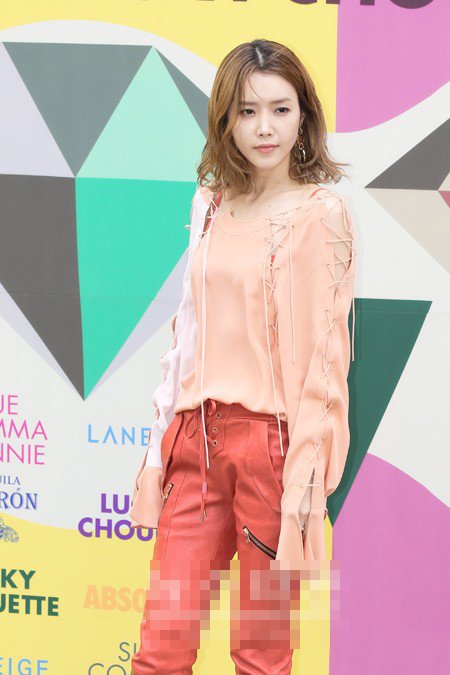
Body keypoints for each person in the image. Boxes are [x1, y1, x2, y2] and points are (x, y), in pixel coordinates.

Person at [129, 38, 357, 675]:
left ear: (304, 117)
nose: (265, 128)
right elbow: (187, 332)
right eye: (247, 111)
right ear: (225, 120)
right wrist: (157, 448)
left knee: (260, 654)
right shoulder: (209, 204)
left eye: (280, 110)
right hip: (196, 442)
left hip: (273, 452)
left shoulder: (321, 214)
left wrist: (305, 479)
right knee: (161, 648)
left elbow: (325, 360)